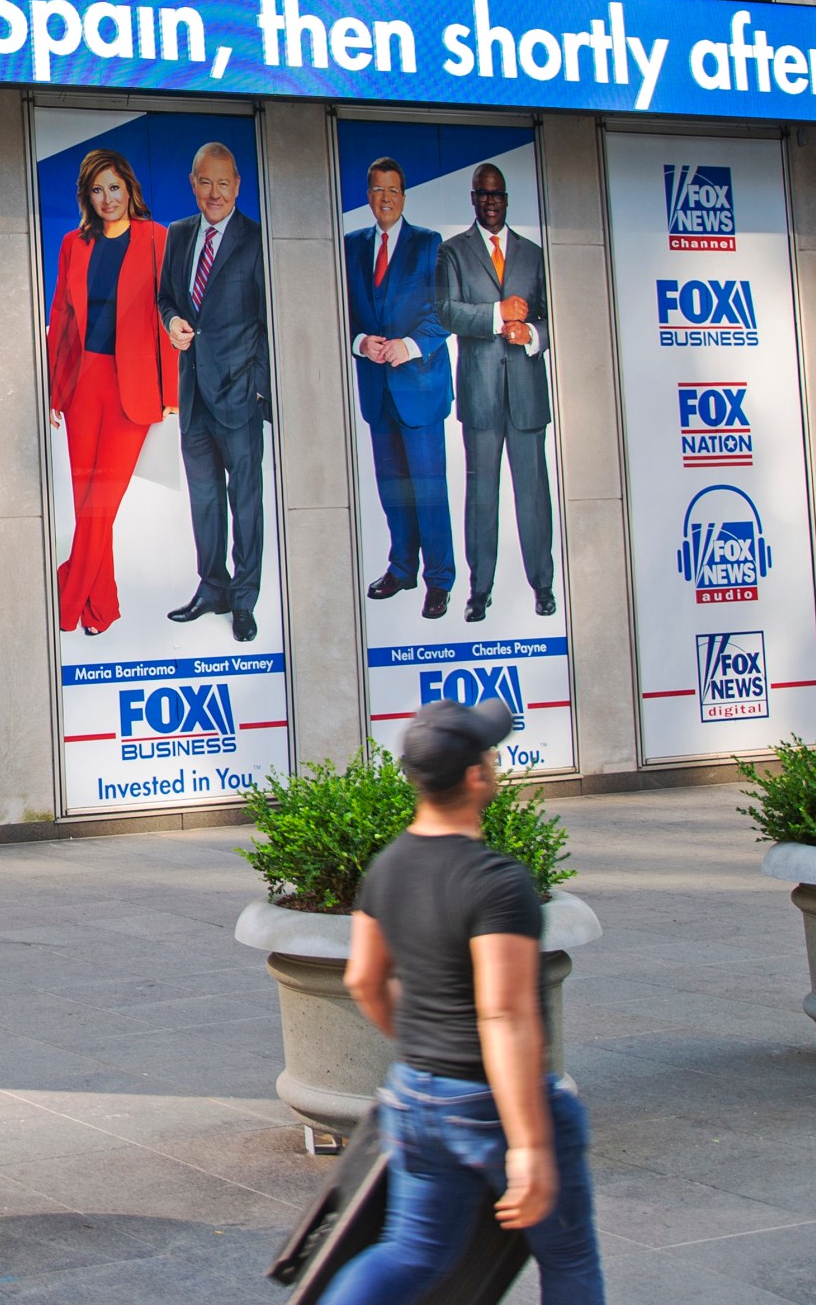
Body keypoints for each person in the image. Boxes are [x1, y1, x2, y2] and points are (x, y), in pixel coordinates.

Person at [322, 698, 604, 1305]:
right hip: (490, 1104)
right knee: (570, 1258)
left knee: (410, 1255)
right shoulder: (497, 882)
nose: (497, 760)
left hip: (415, 1097)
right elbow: (503, 1014)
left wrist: (424, 1049)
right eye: (490, 753)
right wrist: (528, 1145)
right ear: (476, 776)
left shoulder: (387, 867)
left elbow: (363, 979)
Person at [45, 148, 176, 636]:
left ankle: (69, 594)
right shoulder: (73, 244)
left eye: (114, 188)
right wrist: (56, 390)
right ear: (88, 196)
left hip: (134, 385)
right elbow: (61, 317)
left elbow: (169, 315)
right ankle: (103, 606)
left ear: (130, 189)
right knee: (87, 501)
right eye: (98, 190)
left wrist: (172, 390)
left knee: (105, 500)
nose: (107, 198)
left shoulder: (156, 239)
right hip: (84, 383)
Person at [155, 141, 271, 643]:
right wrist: (173, 321)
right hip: (194, 394)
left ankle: (244, 601)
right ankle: (213, 587)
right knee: (205, 499)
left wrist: (260, 393)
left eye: (224, 183)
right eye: (205, 181)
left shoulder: (257, 239)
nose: (214, 192)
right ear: (192, 183)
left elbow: (271, 321)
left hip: (240, 396)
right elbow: (165, 298)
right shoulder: (179, 235)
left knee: (244, 501)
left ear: (238, 185)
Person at [435, 162, 555, 623]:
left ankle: (542, 586)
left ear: (507, 198)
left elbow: (551, 316)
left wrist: (532, 334)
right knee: (482, 498)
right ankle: (478, 591)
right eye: (482, 195)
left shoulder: (533, 254)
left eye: (497, 195)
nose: (490, 202)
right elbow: (445, 312)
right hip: (481, 396)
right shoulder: (453, 253)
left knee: (533, 495)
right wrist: (495, 313)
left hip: (527, 395)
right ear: (472, 199)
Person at [345, 157, 456, 621]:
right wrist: (360, 342)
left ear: (403, 196)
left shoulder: (430, 245)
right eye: (376, 190)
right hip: (378, 391)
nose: (385, 198)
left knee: (428, 490)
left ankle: (439, 580)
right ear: (368, 196)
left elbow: (446, 312)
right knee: (393, 488)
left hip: (420, 389)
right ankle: (402, 567)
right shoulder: (350, 247)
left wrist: (407, 347)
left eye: (393, 190)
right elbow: (343, 310)